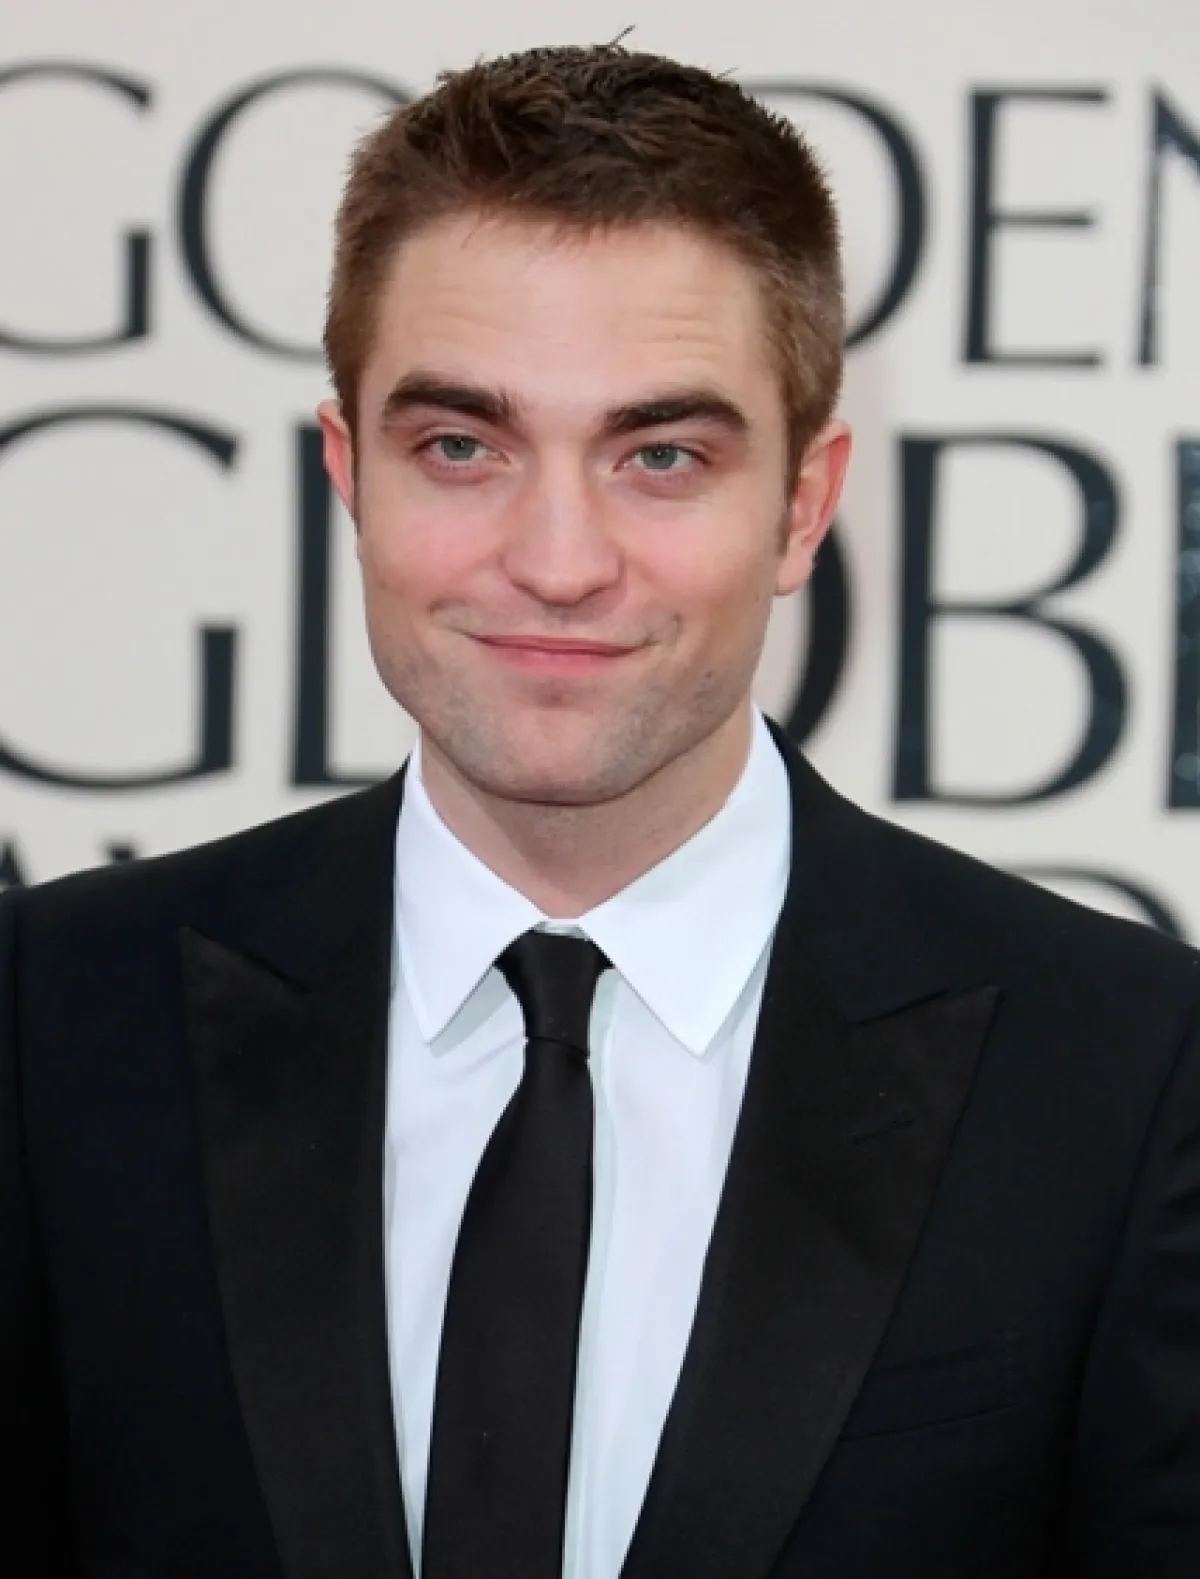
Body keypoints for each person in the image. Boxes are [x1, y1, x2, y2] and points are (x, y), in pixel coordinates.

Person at [3, 43, 1199, 1579]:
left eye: (660, 456)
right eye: (461, 447)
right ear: (348, 472)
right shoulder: (48, 1020)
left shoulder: (1128, 1075)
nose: (558, 561)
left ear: (804, 503)